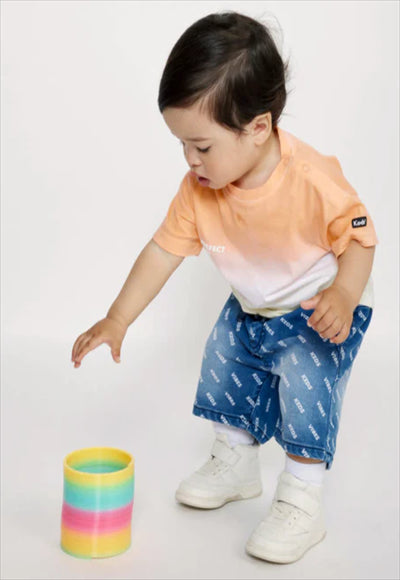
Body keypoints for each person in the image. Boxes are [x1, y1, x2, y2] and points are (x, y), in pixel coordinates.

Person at [71, 12, 378, 564]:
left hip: (321, 307)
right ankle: (236, 462)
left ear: (257, 128)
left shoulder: (312, 179)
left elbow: (359, 237)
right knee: (223, 360)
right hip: (254, 304)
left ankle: (302, 497)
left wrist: (345, 294)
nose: (191, 160)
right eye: (182, 144)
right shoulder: (199, 189)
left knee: (306, 383)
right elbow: (162, 251)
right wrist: (118, 318)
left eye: (202, 146)